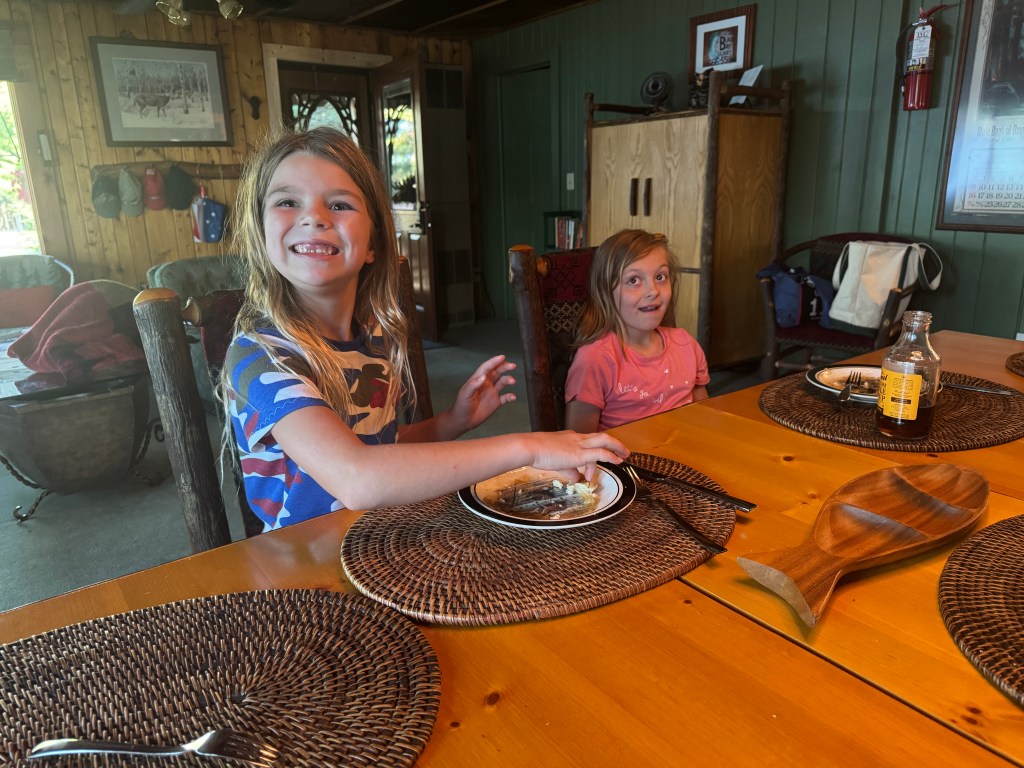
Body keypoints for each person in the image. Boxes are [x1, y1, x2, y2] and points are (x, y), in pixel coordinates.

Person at [223, 127, 627, 531]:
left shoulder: (372, 338)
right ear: (260, 230)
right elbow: (357, 477)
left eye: (340, 204)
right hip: (304, 559)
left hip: (381, 535)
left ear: (372, 244)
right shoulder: (259, 356)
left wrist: (452, 421)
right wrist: (530, 447)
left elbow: (381, 446)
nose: (314, 217)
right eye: (288, 201)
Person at [564, 229, 709, 433]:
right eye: (633, 280)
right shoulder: (595, 359)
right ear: (606, 292)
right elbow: (579, 440)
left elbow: (703, 418)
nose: (653, 291)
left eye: (660, 277)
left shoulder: (687, 345)